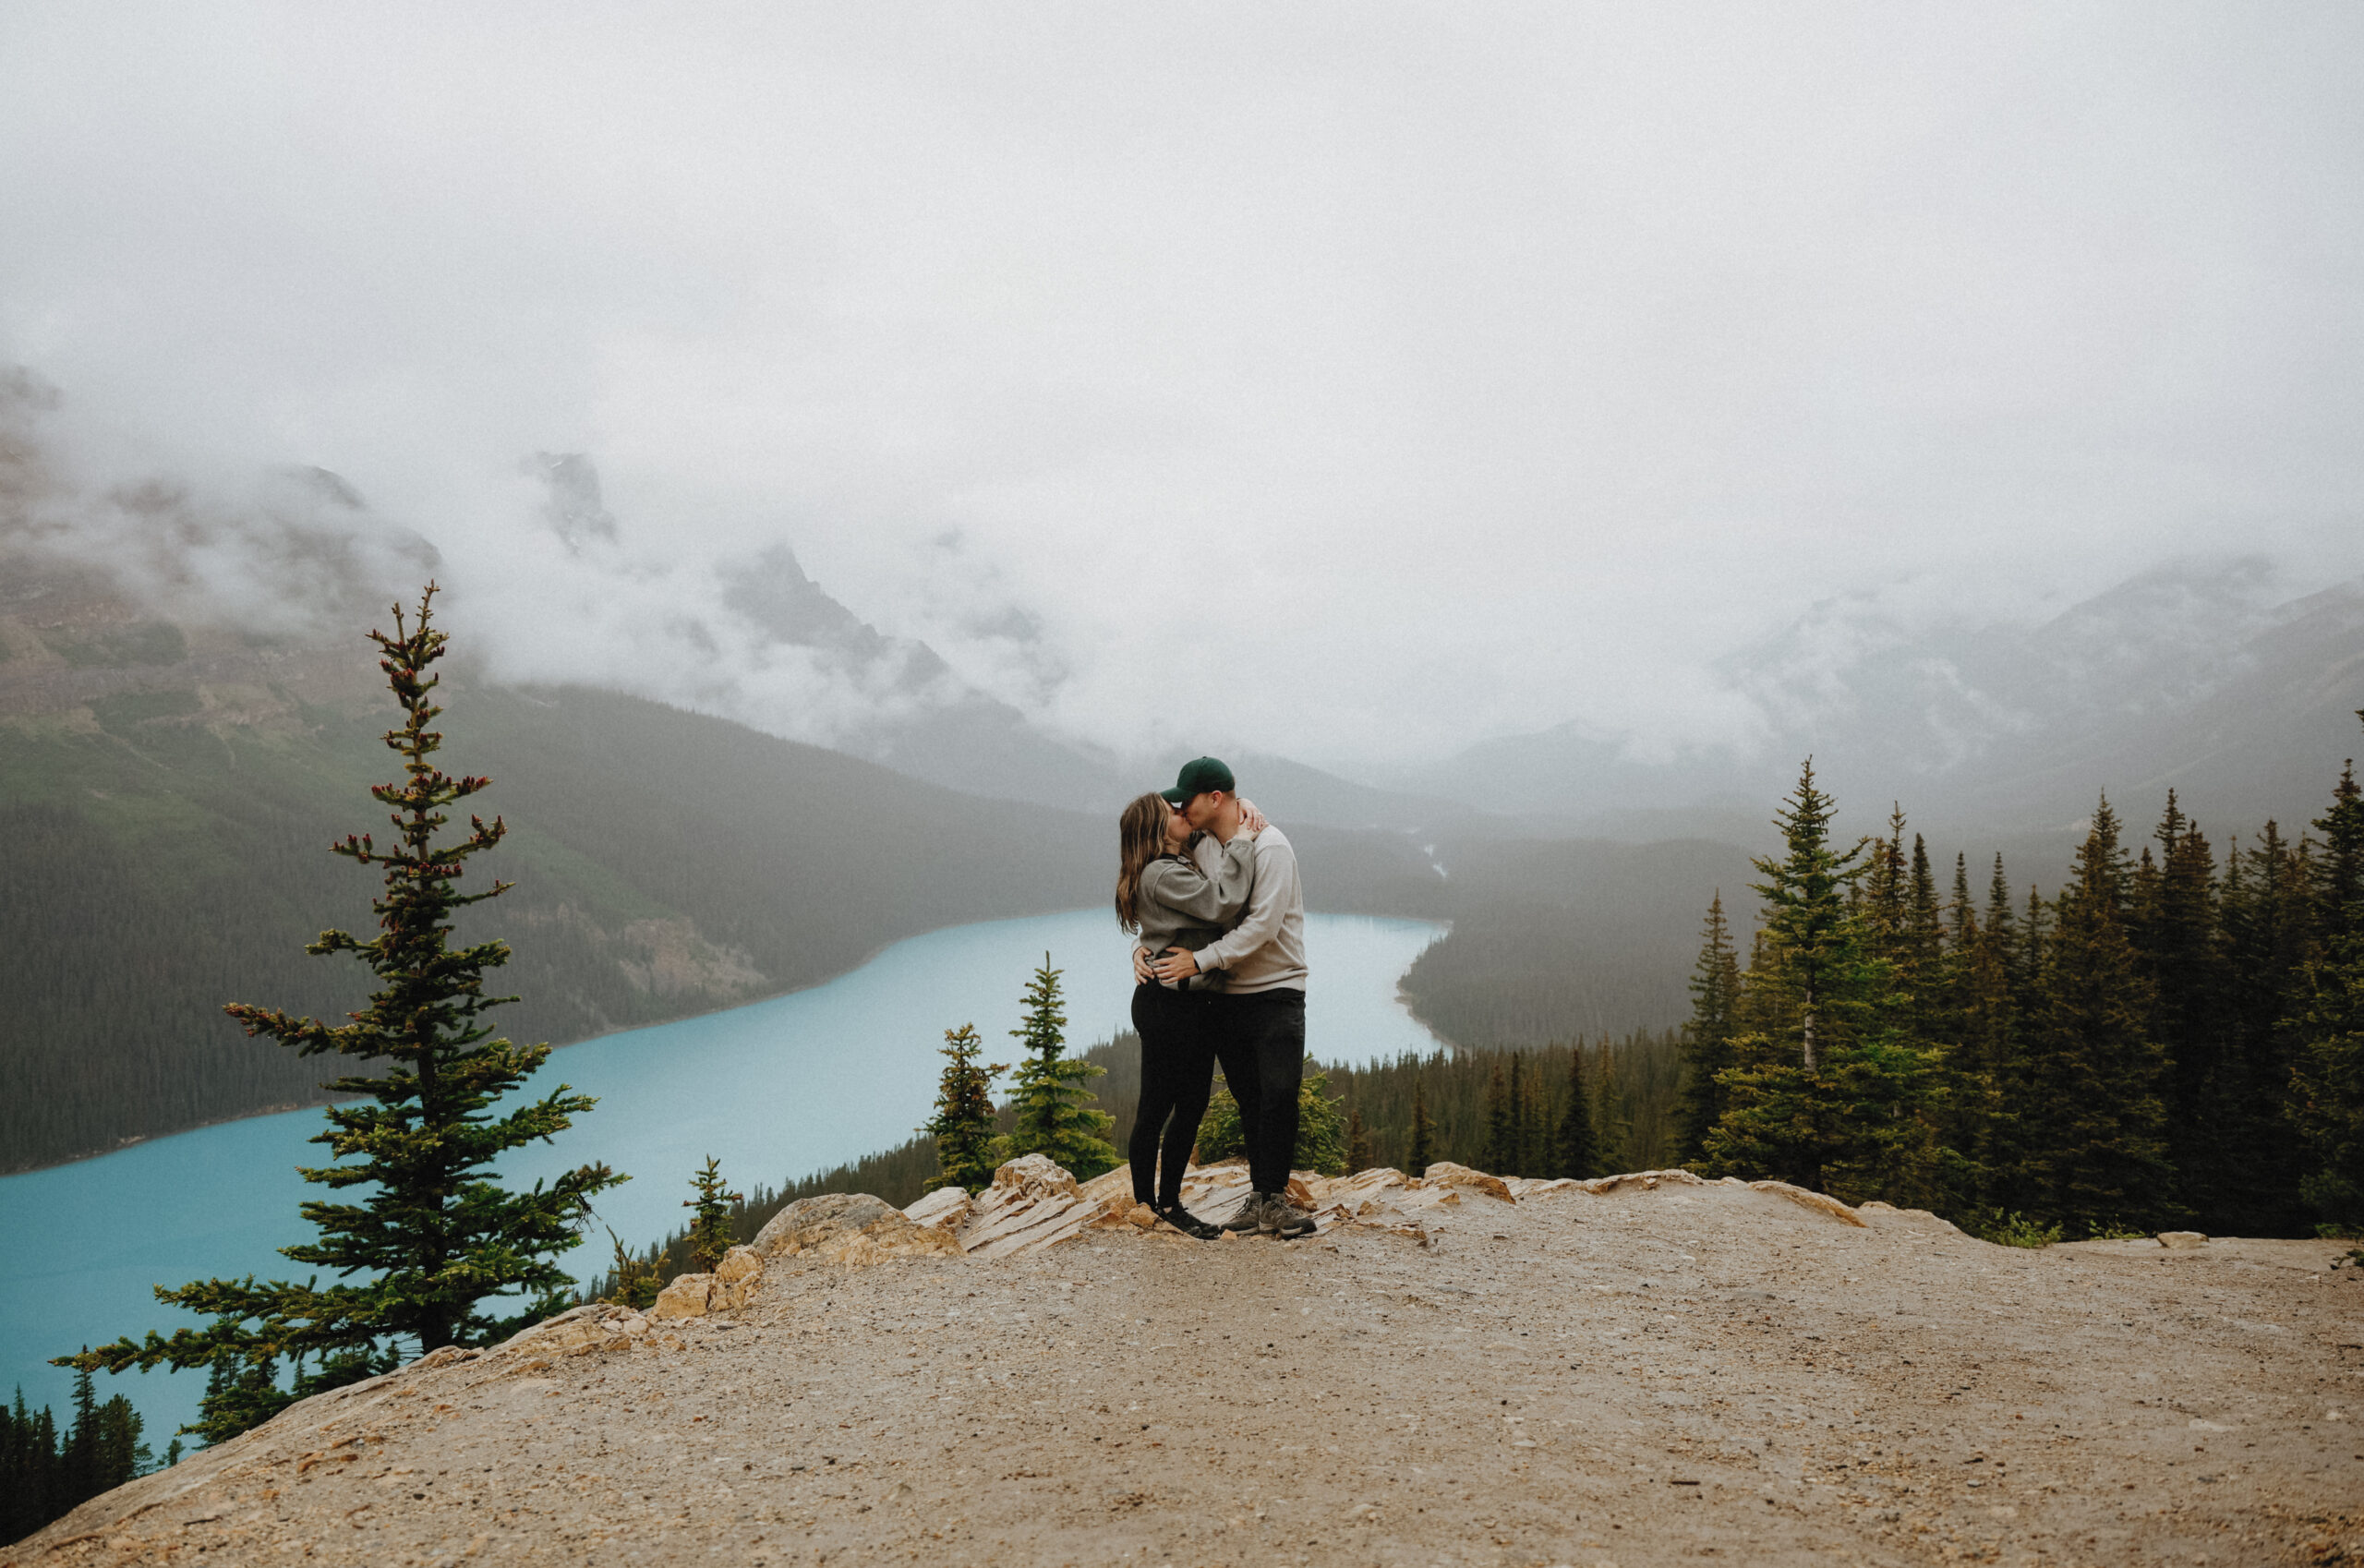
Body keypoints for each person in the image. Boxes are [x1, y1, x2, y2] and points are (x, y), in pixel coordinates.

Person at [1142, 756, 1314, 1240]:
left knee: (1279, 1095)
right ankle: (1261, 1198)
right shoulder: (1201, 847)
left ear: (1215, 798)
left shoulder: (1271, 845)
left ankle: (1274, 1197)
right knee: (1248, 1098)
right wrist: (1143, 945)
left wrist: (1199, 961)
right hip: (1228, 995)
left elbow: (1262, 926)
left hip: (1277, 989)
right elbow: (1179, 910)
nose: (1180, 807)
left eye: (1187, 799)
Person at [1114, 790, 1258, 1239]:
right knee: (1157, 1107)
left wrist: (1236, 810)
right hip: (1168, 1005)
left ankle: (1170, 1204)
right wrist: (1243, 840)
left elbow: (1162, 927)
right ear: (1157, 830)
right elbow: (1221, 903)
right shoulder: (1160, 872)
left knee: (1191, 1105)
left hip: (1190, 1004)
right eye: (1173, 813)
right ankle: (1147, 1206)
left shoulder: (1176, 861)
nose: (1183, 815)